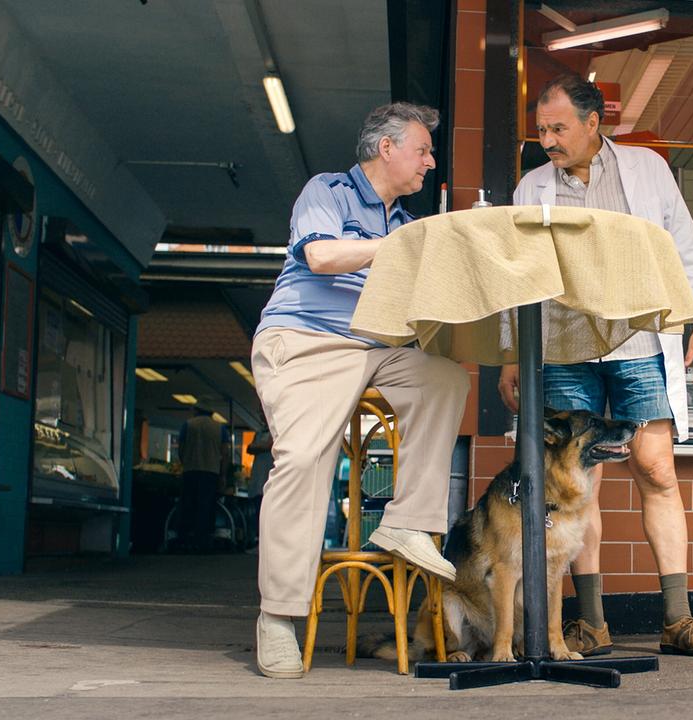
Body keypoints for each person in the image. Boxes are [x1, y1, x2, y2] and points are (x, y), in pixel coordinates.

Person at [499, 74, 693, 657]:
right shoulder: (532, 186)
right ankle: (592, 624)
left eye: (558, 128)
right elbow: (516, 274)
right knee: (578, 484)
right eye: (542, 130)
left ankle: (678, 619)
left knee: (656, 470)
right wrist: (511, 353)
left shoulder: (646, 170)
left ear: (592, 122)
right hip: (563, 346)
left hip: (637, 341)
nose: (548, 139)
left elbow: (680, 242)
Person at [250, 101, 470, 679]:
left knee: (444, 376)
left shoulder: (403, 223)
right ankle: (278, 616)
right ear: (386, 148)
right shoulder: (328, 191)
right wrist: (409, 247)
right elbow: (320, 256)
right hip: (306, 339)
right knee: (302, 460)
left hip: (376, 345)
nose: (429, 162)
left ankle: (406, 520)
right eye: (422, 150)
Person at [176, 406, 230, 552]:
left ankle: (185, 541)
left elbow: (181, 449)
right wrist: (223, 475)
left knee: (188, 505)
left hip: (190, 470)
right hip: (211, 472)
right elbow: (225, 453)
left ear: (196, 410)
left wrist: (186, 462)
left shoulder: (188, 425)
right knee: (206, 508)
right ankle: (203, 542)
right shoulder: (220, 428)